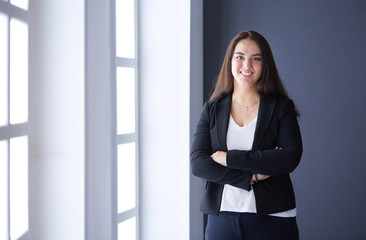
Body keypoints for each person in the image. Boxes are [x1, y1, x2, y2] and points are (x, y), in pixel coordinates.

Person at [190, 30, 303, 240]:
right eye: (240, 57)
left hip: (274, 217)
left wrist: (228, 157)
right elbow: (198, 163)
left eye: (256, 59)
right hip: (222, 218)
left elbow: (289, 157)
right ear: (230, 61)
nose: (247, 65)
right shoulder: (212, 110)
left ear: (265, 64)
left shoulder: (281, 108)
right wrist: (250, 177)